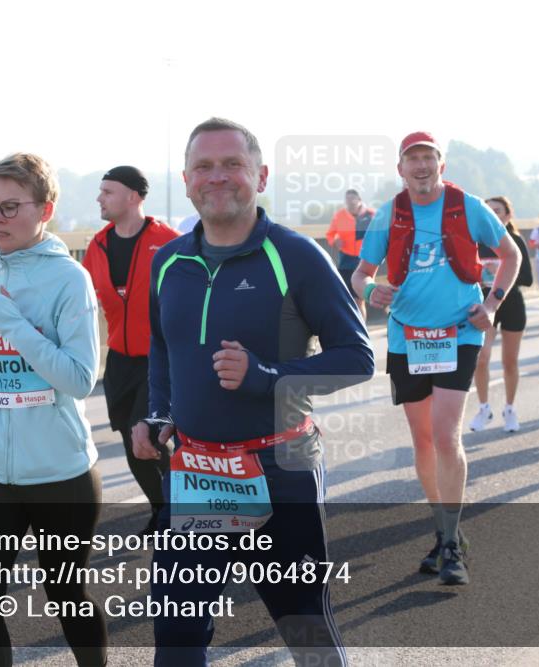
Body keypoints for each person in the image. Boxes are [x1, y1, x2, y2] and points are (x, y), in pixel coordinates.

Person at [133, 118, 374, 667]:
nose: (217, 177)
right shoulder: (168, 261)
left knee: (306, 629)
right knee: (176, 640)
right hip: (196, 473)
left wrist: (265, 374)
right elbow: (163, 348)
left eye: (232, 164)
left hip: (278, 465)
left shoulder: (296, 256)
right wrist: (158, 413)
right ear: (187, 180)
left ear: (260, 175)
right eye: (203, 167)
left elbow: (357, 359)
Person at [0, 154, 106, 667]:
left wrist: (12, 324)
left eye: (10, 206)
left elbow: (79, 379)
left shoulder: (70, 279)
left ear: (45, 210)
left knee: (65, 597)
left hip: (60, 470)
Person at [353, 131, 520, 584]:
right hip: (408, 337)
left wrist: (491, 305)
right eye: (413, 160)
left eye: (429, 158)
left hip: (458, 332)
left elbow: (511, 254)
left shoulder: (468, 207)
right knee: (423, 441)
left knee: (447, 437)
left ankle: (449, 547)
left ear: (440, 166)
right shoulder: (389, 213)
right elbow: (359, 274)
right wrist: (371, 290)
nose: (421, 166)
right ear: (401, 168)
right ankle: (447, 531)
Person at [82, 166, 178, 535]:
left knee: (150, 436)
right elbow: (81, 298)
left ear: (134, 197)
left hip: (160, 358)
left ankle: (177, 512)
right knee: (130, 440)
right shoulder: (98, 245)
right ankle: (162, 508)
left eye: (108, 191)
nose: (99, 198)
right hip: (119, 360)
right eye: (100, 190)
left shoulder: (168, 242)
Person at [468, 196, 533, 432]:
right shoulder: (475, 241)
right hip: (485, 306)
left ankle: (510, 408)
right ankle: (484, 408)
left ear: (508, 215)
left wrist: (500, 271)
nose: (494, 215)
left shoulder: (514, 241)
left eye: (498, 211)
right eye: (489, 211)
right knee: (481, 358)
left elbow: (528, 278)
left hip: (512, 304)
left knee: (509, 362)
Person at [326, 189, 376, 320]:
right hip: (345, 260)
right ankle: (353, 329)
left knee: (360, 299)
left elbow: (382, 235)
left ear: (359, 199)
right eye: (347, 199)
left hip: (364, 259)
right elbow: (330, 234)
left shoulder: (372, 215)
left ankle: (362, 329)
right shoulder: (339, 216)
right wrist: (335, 240)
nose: (350, 202)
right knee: (347, 298)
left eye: (353, 199)